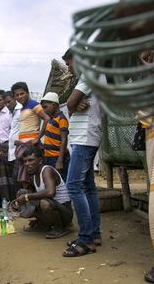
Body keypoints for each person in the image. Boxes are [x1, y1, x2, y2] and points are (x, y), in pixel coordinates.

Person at [62, 54, 103, 257]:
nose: (68, 68)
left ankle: (86, 239)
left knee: (73, 186)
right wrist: (73, 105)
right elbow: (71, 105)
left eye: (69, 63)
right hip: (88, 136)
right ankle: (94, 234)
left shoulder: (89, 73)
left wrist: (73, 105)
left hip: (84, 137)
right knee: (88, 187)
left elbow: (69, 104)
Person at [16, 146, 72, 239]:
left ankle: (60, 227)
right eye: (25, 161)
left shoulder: (47, 170)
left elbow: (50, 192)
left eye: (30, 160)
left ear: (40, 161)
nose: (27, 164)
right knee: (22, 193)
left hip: (65, 213)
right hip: (55, 206)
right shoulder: (34, 175)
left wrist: (27, 197)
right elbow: (37, 195)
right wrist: (23, 199)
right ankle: (43, 224)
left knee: (43, 203)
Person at [11, 82, 50, 188]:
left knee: (30, 176)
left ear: (27, 93)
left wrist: (38, 138)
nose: (19, 96)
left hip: (31, 146)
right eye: (17, 95)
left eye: (22, 93)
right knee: (24, 176)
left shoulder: (34, 105)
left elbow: (47, 119)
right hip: (23, 146)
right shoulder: (23, 108)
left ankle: (33, 200)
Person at [40, 92, 70, 181]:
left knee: (61, 182)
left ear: (53, 105)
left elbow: (64, 140)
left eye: (45, 107)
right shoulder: (51, 119)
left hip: (57, 158)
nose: (44, 111)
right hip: (48, 157)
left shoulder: (62, 119)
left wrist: (60, 160)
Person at [4, 90, 22, 200]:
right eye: (5, 103)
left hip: (19, 150)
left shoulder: (21, 111)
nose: (7, 104)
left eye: (9, 101)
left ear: (15, 99)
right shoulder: (11, 113)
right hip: (11, 152)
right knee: (14, 178)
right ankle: (17, 202)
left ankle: (22, 203)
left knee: (18, 177)